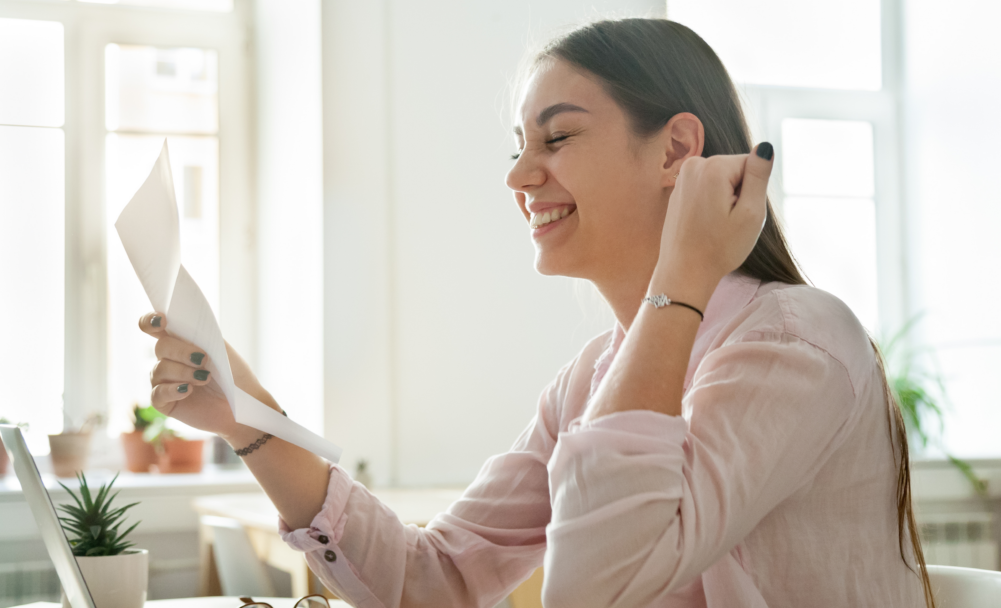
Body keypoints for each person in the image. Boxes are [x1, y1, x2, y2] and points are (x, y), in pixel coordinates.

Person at [139, 18, 933, 608]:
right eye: (517, 145)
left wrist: (685, 274)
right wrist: (248, 416)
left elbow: (594, 588)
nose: (520, 174)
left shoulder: (795, 343)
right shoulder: (594, 378)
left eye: (556, 137)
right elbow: (432, 580)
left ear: (675, 151)